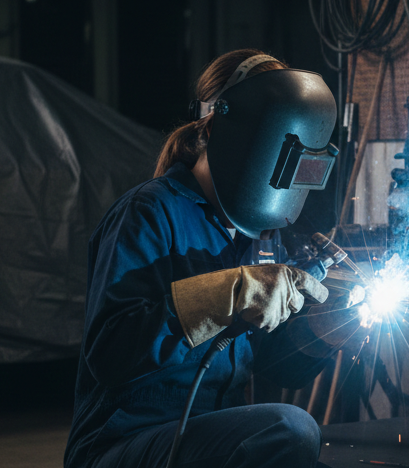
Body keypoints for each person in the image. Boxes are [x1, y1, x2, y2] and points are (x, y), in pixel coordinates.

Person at [64, 49, 343, 468]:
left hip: (214, 439)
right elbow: (110, 355)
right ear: (226, 127)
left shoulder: (264, 236)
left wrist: (328, 331)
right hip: (123, 444)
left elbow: (276, 368)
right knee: (290, 429)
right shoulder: (149, 212)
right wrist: (224, 294)